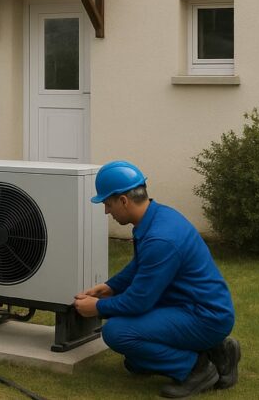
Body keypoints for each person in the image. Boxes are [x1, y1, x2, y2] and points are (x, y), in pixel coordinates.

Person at [73, 160, 241, 398]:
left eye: (108, 204)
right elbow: (141, 264)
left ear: (123, 200)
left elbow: (138, 302)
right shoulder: (157, 216)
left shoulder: (161, 239)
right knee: (135, 362)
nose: (106, 211)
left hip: (204, 316)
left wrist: (97, 307)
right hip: (190, 305)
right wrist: (110, 287)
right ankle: (218, 350)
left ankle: (197, 367)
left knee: (117, 333)